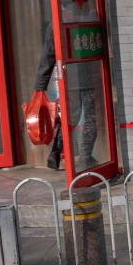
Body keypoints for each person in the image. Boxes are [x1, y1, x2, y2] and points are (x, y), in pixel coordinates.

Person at [33, 19, 98, 170]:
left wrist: (40, 85)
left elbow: (49, 54)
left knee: (70, 118)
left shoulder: (55, 22)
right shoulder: (89, 15)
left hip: (68, 79)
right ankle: (85, 157)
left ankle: (55, 152)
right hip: (88, 78)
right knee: (90, 118)